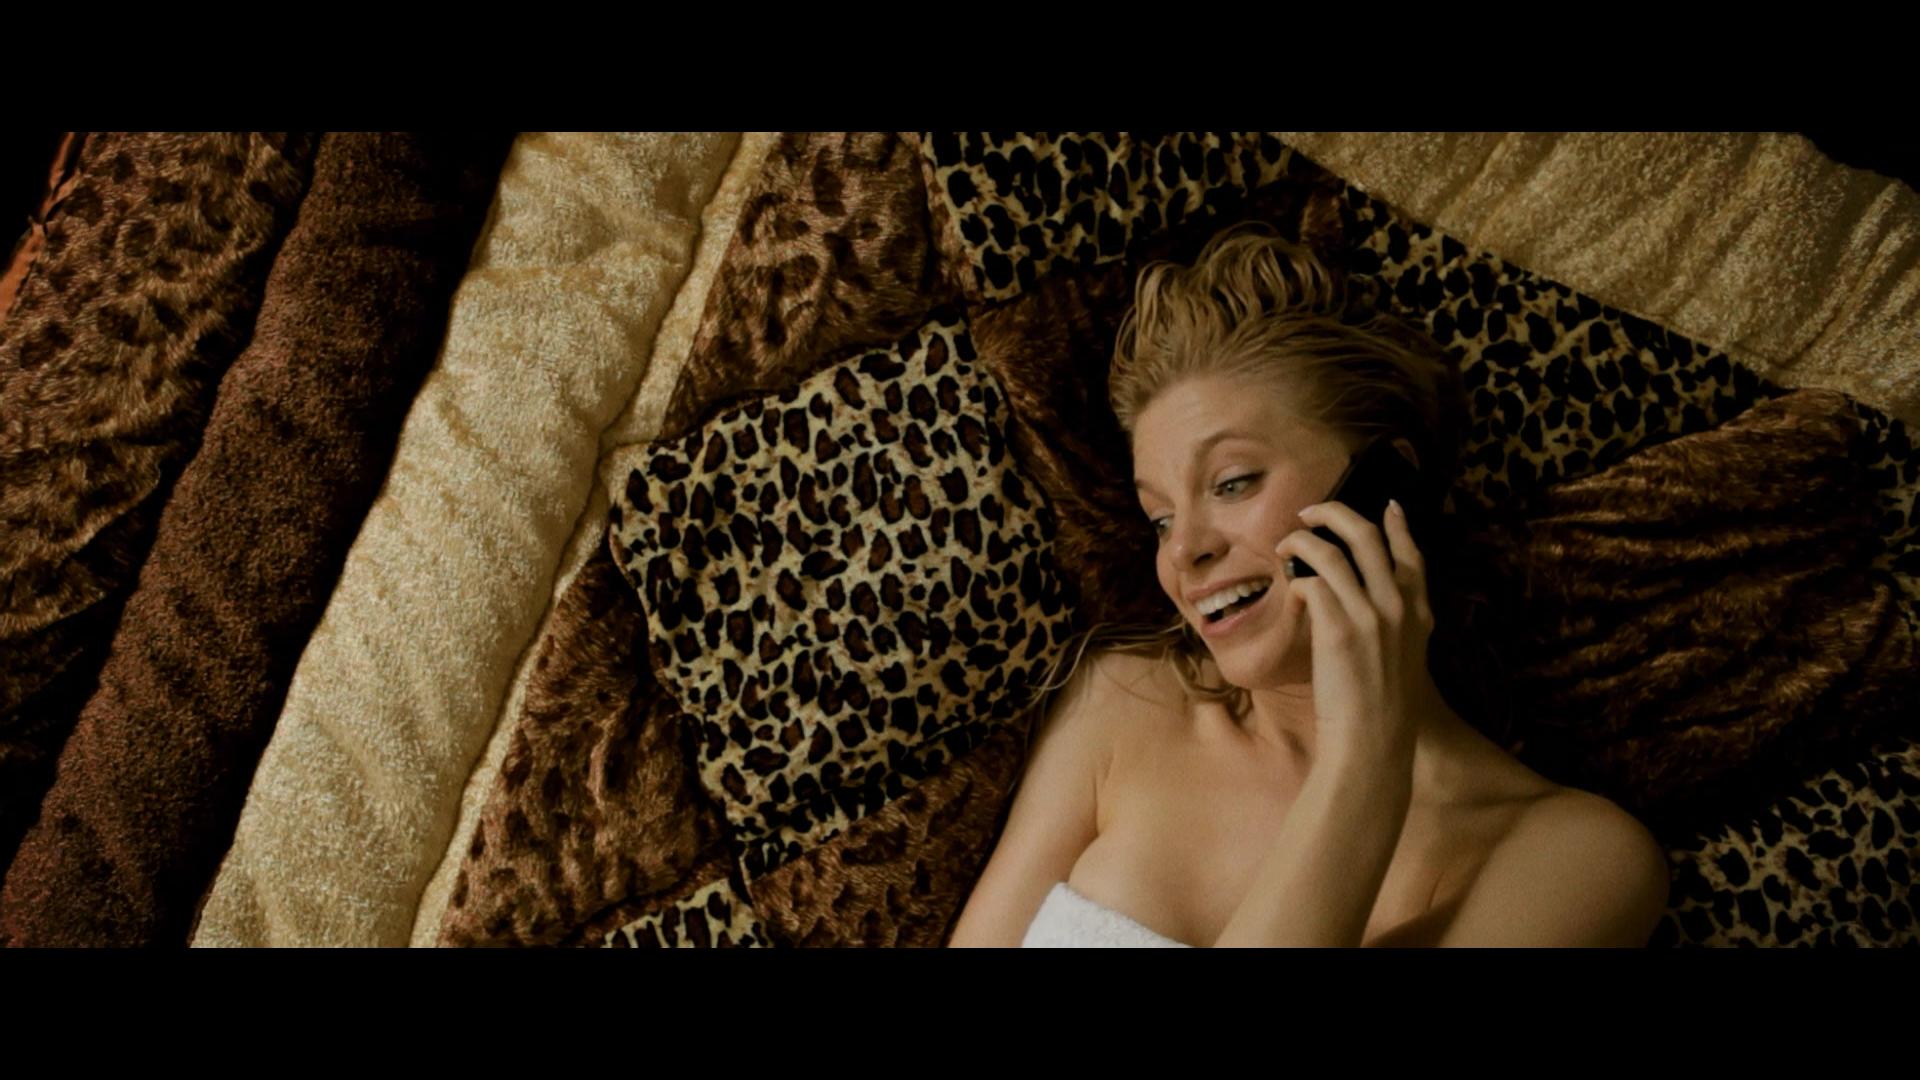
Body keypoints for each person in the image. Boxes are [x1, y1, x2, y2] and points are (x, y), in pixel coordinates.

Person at [946, 223, 1672, 948]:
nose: (1185, 552)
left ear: (1388, 485)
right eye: (1160, 519)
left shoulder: (1576, 859)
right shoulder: (1122, 705)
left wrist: (1365, 758)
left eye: (1233, 482)